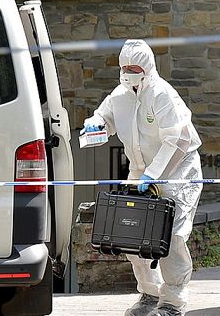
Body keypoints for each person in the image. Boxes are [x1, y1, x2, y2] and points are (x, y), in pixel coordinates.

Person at [83, 40, 203, 316]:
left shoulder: (162, 95)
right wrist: (96, 123)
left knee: (171, 236)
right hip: (140, 171)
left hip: (177, 171)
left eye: (134, 67)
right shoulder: (120, 95)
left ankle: (173, 302)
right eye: (124, 67)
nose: (129, 72)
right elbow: (106, 118)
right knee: (131, 233)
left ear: (147, 67)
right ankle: (149, 295)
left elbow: (178, 139)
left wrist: (154, 174)